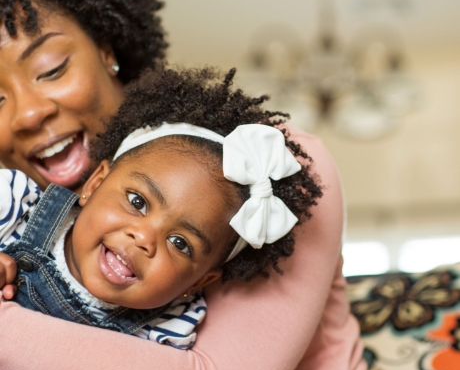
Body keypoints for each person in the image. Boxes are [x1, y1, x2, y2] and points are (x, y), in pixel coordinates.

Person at [0, 0, 416, 370]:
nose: (27, 113)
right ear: (99, 182)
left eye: (51, 69)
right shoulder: (20, 204)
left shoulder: (263, 172)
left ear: (106, 45)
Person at [0, 66, 321, 353]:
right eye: (138, 202)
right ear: (95, 183)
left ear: (196, 284)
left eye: (180, 243)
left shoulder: (171, 328)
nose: (144, 238)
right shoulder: (16, 203)